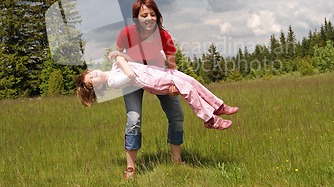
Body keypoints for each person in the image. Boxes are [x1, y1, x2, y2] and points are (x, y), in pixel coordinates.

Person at [112, 0, 185, 179]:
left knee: (176, 114)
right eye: (144, 15)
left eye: (153, 14)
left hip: (157, 75)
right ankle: (131, 168)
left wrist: (173, 83)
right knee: (134, 119)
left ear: (157, 16)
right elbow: (117, 54)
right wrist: (123, 70)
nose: (149, 18)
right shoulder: (126, 33)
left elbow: (172, 65)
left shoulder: (163, 35)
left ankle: (177, 160)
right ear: (136, 18)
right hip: (133, 76)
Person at [76, 54, 238, 134]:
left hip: (156, 72)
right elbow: (131, 75)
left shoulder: (112, 68)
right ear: (96, 88)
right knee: (187, 89)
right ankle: (209, 119)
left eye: (90, 74)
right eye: (91, 82)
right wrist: (120, 61)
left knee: (191, 81)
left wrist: (119, 54)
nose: (93, 77)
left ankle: (218, 106)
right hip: (153, 81)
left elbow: (130, 59)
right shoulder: (112, 81)